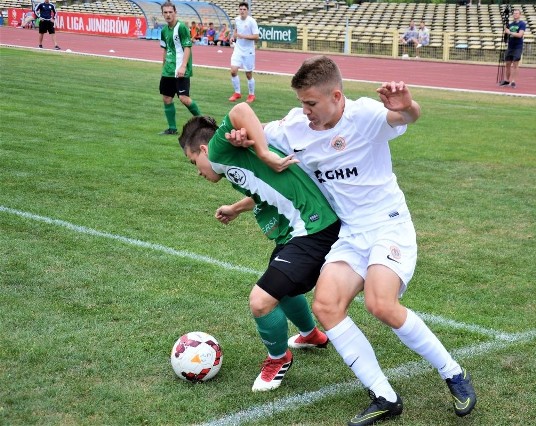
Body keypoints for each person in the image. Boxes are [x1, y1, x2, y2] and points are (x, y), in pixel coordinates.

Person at [227, 55, 477, 426]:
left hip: (389, 225)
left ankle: (454, 373)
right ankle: (384, 397)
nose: (305, 111)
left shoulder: (364, 115)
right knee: (326, 306)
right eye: (302, 103)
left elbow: (405, 117)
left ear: (337, 96)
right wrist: (246, 139)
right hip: (351, 233)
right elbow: (244, 121)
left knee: (380, 303)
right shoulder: (295, 127)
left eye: (311, 103)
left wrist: (407, 106)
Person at [178, 102, 341, 392]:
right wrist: (236, 208)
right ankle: (311, 334)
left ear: (204, 150)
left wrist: (265, 154)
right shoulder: (232, 160)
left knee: (261, 301)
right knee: (282, 289)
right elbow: (262, 189)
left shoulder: (217, 152)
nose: (198, 172)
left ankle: (279, 359)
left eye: (194, 163)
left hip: (313, 229)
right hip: (299, 231)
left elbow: (240, 109)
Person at [157, 1, 201, 135]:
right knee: (166, 98)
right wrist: (163, 65)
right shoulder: (164, 30)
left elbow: (187, 47)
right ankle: (172, 128)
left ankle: (203, 122)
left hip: (180, 70)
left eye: (170, 12)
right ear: (162, 14)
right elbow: (165, 49)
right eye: (165, 12)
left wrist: (183, 66)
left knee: (184, 98)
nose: (168, 15)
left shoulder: (181, 27)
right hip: (168, 70)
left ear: (175, 12)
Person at [228, 2, 259, 104]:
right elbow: (236, 31)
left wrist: (243, 36)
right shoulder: (237, 19)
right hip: (238, 49)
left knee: (248, 74)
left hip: (248, 51)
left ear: (247, 10)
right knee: (233, 71)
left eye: (244, 9)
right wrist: (233, 37)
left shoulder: (252, 21)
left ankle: (251, 94)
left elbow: (256, 37)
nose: (242, 11)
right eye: (240, 9)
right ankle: (237, 93)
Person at [500, 8, 526, 89]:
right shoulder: (510, 24)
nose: (515, 14)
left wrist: (509, 32)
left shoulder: (522, 24)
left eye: (517, 13)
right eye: (514, 13)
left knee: (515, 64)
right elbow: (506, 36)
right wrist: (505, 34)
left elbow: (520, 35)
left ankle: (513, 81)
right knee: (507, 64)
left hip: (517, 46)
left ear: (519, 14)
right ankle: (507, 80)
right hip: (510, 46)